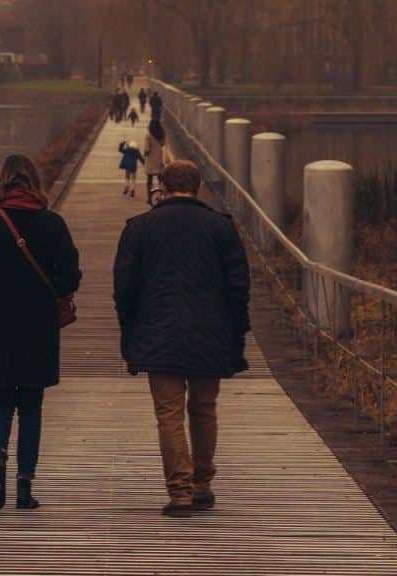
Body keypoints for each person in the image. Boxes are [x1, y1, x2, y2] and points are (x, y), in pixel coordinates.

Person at [112, 160, 251, 518]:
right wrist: (237, 332)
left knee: (169, 414)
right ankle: (203, 484)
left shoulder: (140, 227)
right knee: (204, 410)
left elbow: (123, 288)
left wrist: (130, 330)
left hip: (159, 333)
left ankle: (180, 492)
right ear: (198, 186)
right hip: (211, 333)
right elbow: (239, 287)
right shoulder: (221, 228)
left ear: (162, 186)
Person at [0, 154, 82, 511]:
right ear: (34, 182)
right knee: (31, 407)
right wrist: (54, 291)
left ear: (3, 182)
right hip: (38, 328)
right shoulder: (53, 224)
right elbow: (70, 276)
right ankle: (24, 487)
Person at [143, 119, 171, 205]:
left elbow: (146, 150)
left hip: (151, 161)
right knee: (161, 180)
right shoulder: (162, 134)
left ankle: (149, 197)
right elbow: (163, 144)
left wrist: (145, 152)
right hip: (160, 160)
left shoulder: (148, 135)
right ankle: (162, 195)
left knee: (149, 180)